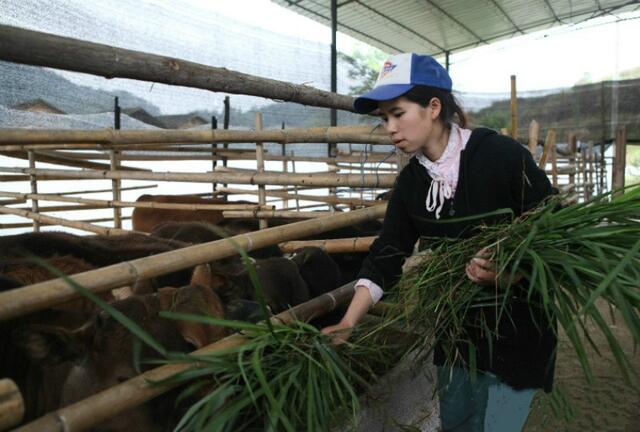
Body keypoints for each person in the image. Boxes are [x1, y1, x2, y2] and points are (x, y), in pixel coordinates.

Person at [321, 53, 557, 432]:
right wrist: (348, 321)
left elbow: (553, 227)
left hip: (518, 330)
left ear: (433, 107)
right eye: (384, 119)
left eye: (398, 113)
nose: (390, 128)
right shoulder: (413, 183)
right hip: (457, 334)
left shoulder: (500, 156)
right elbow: (387, 254)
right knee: (459, 424)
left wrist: (512, 273)